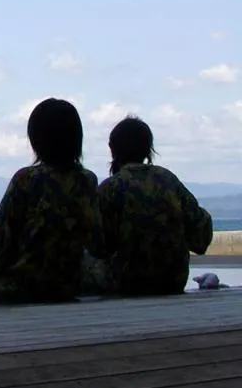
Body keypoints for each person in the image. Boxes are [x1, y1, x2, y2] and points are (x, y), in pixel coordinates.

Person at [0, 98, 100, 303]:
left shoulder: (27, 179)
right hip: (67, 283)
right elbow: (96, 241)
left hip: (21, 284)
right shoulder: (88, 181)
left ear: (36, 139)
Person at [87, 115, 213, 296]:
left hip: (125, 284)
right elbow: (201, 236)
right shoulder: (168, 180)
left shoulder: (111, 187)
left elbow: (97, 246)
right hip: (172, 281)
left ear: (112, 149)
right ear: (148, 149)